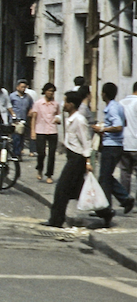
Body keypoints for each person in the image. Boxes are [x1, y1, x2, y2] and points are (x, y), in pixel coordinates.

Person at [44, 90, 115, 229]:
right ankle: (106, 212)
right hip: (72, 156)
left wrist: (88, 161)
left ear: (71, 104)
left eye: (65, 102)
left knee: (61, 189)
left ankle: (56, 220)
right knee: (79, 190)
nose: (63, 104)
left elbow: (86, 141)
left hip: (77, 159)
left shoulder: (79, 120)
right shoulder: (70, 118)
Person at [92, 82, 134, 215]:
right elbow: (124, 122)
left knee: (104, 178)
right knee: (106, 176)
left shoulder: (112, 108)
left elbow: (119, 126)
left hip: (111, 146)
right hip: (116, 145)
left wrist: (103, 128)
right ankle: (124, 199)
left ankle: (106, 209)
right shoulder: (118, 106)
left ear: (103, 94)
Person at [31, 83, 60, 184]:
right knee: (41, 153)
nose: (50, 93)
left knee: (52, 154)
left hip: (52, 130)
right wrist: (33, 131)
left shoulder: (56, 104)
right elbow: (34, 117)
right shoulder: (38, 103)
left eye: (52, 91)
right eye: (49, 91)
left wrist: (58, 120)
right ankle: (40, 169)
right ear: (45, 91)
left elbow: (58, 116)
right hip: (40, 130)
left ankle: (49, 174)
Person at [118, 81, 137, 198]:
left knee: (125, 172)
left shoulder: (121, 103)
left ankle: (125, 199)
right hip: (136, 143)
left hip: (123, 142)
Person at [8, 80, 33, 158]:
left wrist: (30, 112)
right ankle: (16, 154)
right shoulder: (12, 96)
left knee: (22, 138)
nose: (23, 89)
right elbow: (8, 106)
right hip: (15, 120)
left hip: (24, 120)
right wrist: (12, 115)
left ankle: (18, 152)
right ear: (17, 87)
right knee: (16, 137)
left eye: (24, 87)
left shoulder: (28, 97)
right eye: (22, 87)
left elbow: (31, 106)